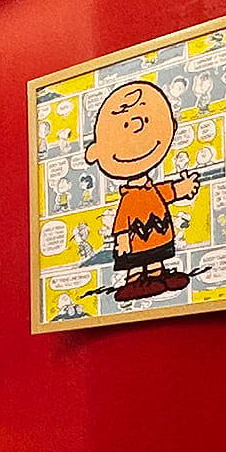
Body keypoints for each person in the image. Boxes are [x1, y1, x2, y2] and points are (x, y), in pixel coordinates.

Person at [82, 75, 196, 303]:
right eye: (126, 126)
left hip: (157, 236)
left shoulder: (151, 189)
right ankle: (134, 282)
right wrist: (123, 239)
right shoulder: (129, 198)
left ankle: (157, 276)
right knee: (136, 264)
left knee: (155, 260)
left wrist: (183, 188)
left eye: (144, 121)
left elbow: (167, 192)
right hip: (136, 240)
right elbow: (121, 220)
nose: (136, 128)